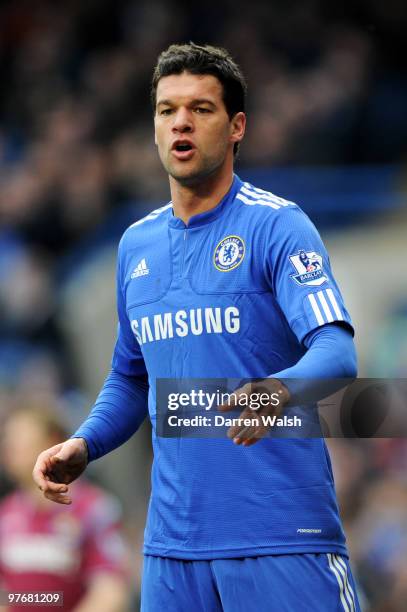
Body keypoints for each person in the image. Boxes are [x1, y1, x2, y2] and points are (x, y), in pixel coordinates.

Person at [33, 43, 360, 611]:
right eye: (167, 110)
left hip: (280, 538)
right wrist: (86, 442)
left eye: (201, 109)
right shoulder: (136, 244)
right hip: (173, 553)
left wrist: (277, 391)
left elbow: (336, 350)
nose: (180, 121)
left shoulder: (278, 227)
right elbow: (130, 378)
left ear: (236, 127)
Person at [1, 402, 130, 611]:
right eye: (7, 439)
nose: (9, 447)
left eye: (20, 438)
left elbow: (111, 590)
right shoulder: (6, 513)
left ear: (52, 442)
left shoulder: (93, 508)